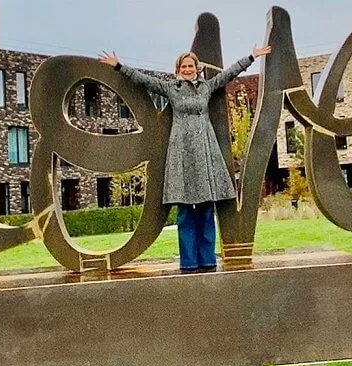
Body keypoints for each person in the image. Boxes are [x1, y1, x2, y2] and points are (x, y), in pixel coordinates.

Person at [99, 45, 271, 271]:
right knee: (185, 212)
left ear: (196, 68)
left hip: (205, 150)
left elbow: (229, 73)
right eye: (184, 66)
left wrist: (251, 57)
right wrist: (119, 66)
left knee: (206, 210)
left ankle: (208, 260)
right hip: (181, 151)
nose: (188, 69)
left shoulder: (206, 87)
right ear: (178, 69)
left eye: (191, 66)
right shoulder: (171, 88)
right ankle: (189, 262)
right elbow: (143, 80)